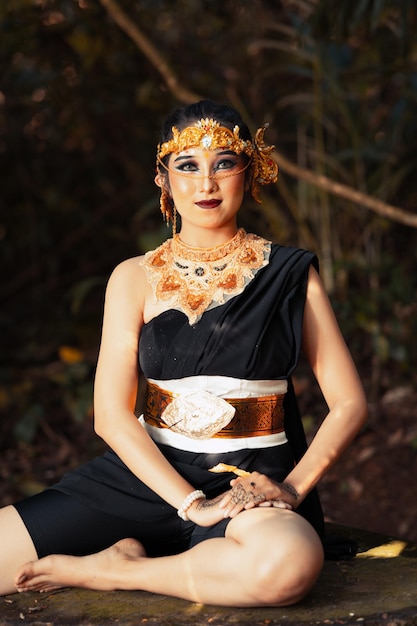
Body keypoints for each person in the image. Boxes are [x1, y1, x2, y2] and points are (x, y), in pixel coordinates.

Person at [0, 100, 368, 607]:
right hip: (146, 476)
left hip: (248, 484)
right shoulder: (132, 277)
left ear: (251, 170)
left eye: (224, 163)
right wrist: (191, 504)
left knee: (286, 566)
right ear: (162, 179)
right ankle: (152, 546)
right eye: (188, 166)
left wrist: (293, 489)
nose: (206, 183)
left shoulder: (290, 274)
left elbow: (349, 405)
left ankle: (120, 571)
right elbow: (110, 416)